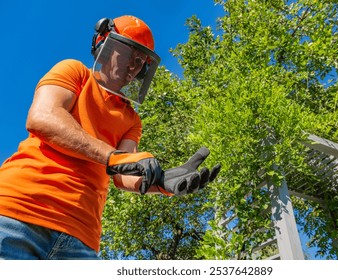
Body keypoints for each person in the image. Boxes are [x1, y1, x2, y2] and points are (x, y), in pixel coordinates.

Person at [0, 15, 220, 260]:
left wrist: (160, 182)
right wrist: (112, 156)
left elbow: (124, 172)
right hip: (17, 211)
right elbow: (42, 117)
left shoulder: (131, 119)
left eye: (141, 61)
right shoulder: (75, 72)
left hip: (81, 236)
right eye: (129, 54)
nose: (134, 66)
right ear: (105, 46)